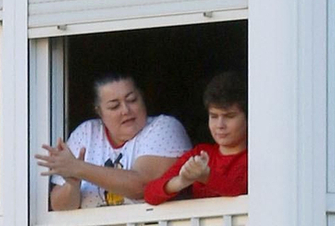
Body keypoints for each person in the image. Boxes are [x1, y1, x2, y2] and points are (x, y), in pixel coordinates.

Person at [38, 74, 191, 209]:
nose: (125, 110)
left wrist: (79, 168)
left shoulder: (164, 127)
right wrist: (73, 184)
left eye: (132, 100)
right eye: (114, 106)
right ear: (99, 111)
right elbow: (59, 206)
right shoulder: (86, 133)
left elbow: (142, 186)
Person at [144, 73, 248, 204]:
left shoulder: (254, 156)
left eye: (229, 116)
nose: (220, 125)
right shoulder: (200, 153)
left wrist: (206, 177)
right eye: (214, 116)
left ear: (248, 118)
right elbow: (149, 193)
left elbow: (241, 190)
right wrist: (182, 181)